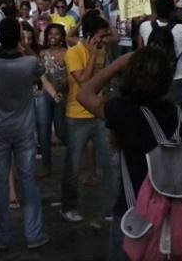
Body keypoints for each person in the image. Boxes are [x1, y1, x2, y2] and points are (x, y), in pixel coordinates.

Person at [77, 45, 182, 261]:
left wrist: (118, 63)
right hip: (176, 219)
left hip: (133, 216)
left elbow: (84, 94)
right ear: (167, 79)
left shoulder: (123, 112)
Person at [0, 16, 49, 251]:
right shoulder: (29, 63)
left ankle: (1, 236)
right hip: (24, 129)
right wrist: (26, 46)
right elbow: (40, 66)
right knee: (28, 179)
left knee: (0, 182)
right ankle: (33, 234)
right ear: (19, 37)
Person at [60, 11, 115, 222]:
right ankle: (69, 207)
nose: (103, 40)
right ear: (90, 36)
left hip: (99, 114)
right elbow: (83, 81)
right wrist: (92, 56)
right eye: (100, 36)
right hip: (77, 117)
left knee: (110, 163)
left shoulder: (103, 51)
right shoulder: (73, 53)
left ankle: (111, 208)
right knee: (73, 167)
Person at [138, 0, 182, 104]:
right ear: (172, 12)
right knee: (177, 111)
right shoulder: (181, 29)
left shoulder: (145, 26)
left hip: (151, 77)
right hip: (175, 79)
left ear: (156, 11)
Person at [35, 23, 67, 177]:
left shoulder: (68, 53)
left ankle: (74, 152)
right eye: (50, 33)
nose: (53, 36)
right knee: (43, 129)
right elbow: (42, 76)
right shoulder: (43, 54)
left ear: (62, 37)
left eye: (57, 33)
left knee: (61, 130)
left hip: (62, 96)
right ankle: (46, 165)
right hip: (45, 95)